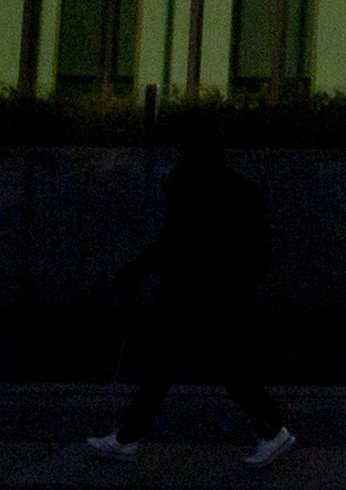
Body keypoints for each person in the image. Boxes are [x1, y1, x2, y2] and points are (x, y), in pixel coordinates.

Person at [84, 120, 294, 465]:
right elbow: (258, 252)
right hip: (213, 292)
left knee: (171, 368)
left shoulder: (186, 185)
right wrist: (235, 285)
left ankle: (127, 437)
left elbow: (170, 244)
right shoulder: (240, 188)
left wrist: (125, 276)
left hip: (184, 293)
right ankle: (271, 431)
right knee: (212, 366)